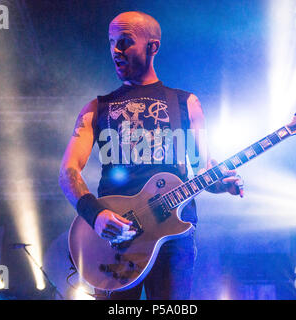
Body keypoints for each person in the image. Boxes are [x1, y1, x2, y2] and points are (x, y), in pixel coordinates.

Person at [59, 11, 243, 300]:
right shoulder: (97, 108)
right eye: (111, 43)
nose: (115, 51)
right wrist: (94, 216)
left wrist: (222, 182)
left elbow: (204, 166)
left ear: (153, 47)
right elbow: (68, 171)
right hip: (115, 238)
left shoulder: (186, 102)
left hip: (175, 233)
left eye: (124, 42)